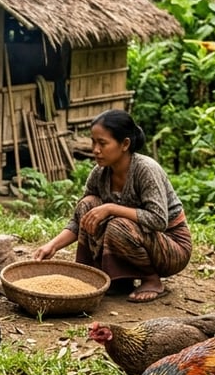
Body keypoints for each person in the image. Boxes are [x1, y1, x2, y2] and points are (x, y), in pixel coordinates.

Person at [32, 109, 191, 303]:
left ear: (125, 144)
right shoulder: (100, 173)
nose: (95, 149)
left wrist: (111, 208)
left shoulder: (145, 169)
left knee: (118, 225)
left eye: (102, 143)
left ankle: (151, 279)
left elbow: (158, 220)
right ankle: (116, 279)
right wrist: (52, 246)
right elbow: (80, 220)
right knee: (88, 205)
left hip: (171, 246)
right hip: (135, 239)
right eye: (93, 142)